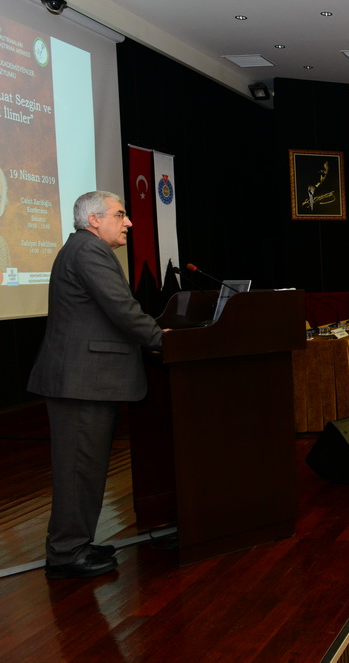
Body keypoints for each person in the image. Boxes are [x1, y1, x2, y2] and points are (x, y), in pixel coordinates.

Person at [27, 191, 167, 579]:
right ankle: (66, 555)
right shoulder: (89, 250)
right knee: (78, 470)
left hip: (85, 380)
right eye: (120, 214)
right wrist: (163, 340)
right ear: (94, 220)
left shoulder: (84, 248)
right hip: (82, 381)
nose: (129, 222)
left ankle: (76, 544)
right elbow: (122, 309)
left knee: (84, 469)